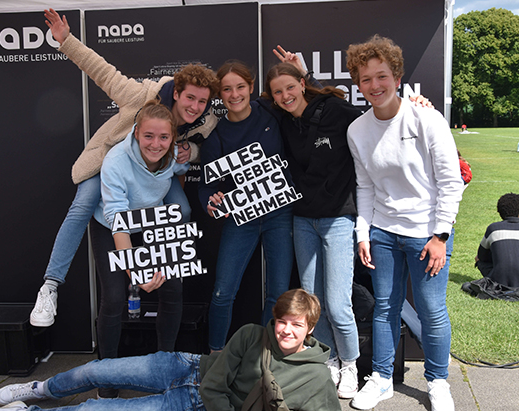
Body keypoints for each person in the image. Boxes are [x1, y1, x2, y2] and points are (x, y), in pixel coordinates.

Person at [30, 9, 219, 328]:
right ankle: (50, 287)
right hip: (112, 166)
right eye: (190, 99)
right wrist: (67, 41)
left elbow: (207, 146)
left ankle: (161, 264)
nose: (194, 107)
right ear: (176, 93)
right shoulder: (140, 97)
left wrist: (192, 149)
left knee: (183, 209)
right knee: (82, 205)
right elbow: (103, 72)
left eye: (202, 102)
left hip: (159, 171)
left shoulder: (206, 119)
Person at [0, 289, 341, 411]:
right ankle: (40, 390)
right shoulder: (252, 335)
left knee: (96, 409)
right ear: (274, 319)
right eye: (283, 321)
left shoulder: (316, 376)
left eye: (297, 324)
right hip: (186, 367)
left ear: (309, 329)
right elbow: (216, 383)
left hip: (189, 404)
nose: (286, 330)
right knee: (96, 371)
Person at [345, 35, 464, 411]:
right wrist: (363, 233)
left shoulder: (427, 118)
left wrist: (441, 235)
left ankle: (438, 381)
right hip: (382, 233)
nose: (374, 86)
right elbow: (364, 187)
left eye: (381, 76)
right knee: (385, 307)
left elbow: (450, 182)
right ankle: (380, 379)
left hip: (427, 234)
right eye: (365, 79)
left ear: (396, 76)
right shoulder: (357, 130)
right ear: (357, 83)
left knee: (432, 311)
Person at [260, 60, 363, 399]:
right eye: (278, 92)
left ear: (302, 84)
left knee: (337, 304)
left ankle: (350, 364)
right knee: (312, 302)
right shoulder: (283, 121)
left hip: (337, 219)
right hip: (302, 220)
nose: (285, 95)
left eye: (290, 87)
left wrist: (417, 107)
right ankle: (328, 359)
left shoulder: (333, 109)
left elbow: (376, 116)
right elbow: (239, 108)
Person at [89, 101, 189, 399]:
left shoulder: (171, 156)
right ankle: (106, 376)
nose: (155, 144)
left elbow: (180, 170)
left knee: (172, 288)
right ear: (135, 132)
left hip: (151, 221)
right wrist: (136, 269)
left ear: (172, 138)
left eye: (163, 137)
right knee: (115, 298)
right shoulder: (117, 161)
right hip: (112, 226)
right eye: (148, 136)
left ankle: (164, 367)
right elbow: (118, 220)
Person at [199, 61, 294, 353]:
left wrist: (302, 71)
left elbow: (305, 101)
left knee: (278, 292)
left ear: (251, 88)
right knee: (223, 291)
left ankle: (265, 355)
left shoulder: (270, 109)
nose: (234, 94)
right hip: (242, 217)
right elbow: (206, 185)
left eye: (240, 87)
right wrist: (211, 202)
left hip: (280, 213)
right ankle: (215, 355)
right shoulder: (216, 134)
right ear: (220, 94)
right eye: (227, 89)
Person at [475, 193, 519, 288]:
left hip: (499, 282)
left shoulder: (493, 228)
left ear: (500, 212)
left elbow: (482, 256)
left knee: (479, 259)